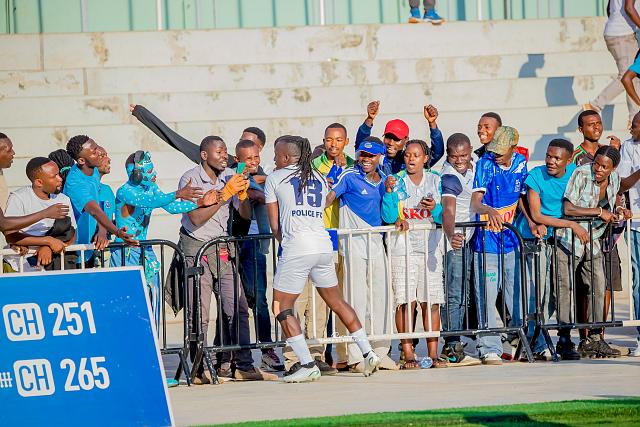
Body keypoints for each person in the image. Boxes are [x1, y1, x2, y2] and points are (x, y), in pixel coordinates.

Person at [265, 135, 381, 383]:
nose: (274, 159)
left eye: (276, 155)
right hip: (323, 244)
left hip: (297, 246)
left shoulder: (275, 177)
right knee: (337, 301)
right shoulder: (317, 176)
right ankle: (368, 352)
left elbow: (275, 225)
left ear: (286, 157)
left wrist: (286, 243)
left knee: (281, 306)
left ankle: (306, 363)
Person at [178, 136, 273, 383]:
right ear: (204, 155)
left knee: (238, 307)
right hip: (197, 248)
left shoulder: (230, 175)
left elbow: (245, 216)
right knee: (199, 312)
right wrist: (224, 194)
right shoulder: (190, 178)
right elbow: (196, 218)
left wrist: (242, 196)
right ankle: (199, 369)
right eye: (218, 152)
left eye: (225, 152)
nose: (224, 156)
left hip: (222, 247)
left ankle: (244, 365)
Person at [110, 150, 214, 325]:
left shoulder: (151, 188)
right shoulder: (125, 192)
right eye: (150, 171)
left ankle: (151, 338)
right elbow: (151, 202)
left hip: (143, 250)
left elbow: (170, 207)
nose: (155, 174)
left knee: (153, 298)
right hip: (124, 253)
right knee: (126, 300)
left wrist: (199, 202)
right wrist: (178, 193)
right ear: (136, 174)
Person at [284, 123, 355, 376]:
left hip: (335, 239)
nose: (333, 144)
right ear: (323, 141)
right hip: (308, 237)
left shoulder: (352, 167)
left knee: (323, 302)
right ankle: (293, 357)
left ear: (346, 142)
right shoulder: (312, 167)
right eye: (329, 139)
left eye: (338, 140)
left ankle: (316, 353)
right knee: (299, 298)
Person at [325, 137, 396, 372]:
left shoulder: (385, 178)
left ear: (379, 157)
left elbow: (389, 214)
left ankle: (381, 351)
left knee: (381, 297)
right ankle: (356, 356)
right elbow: (329, 198)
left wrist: (394, 205)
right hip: (353, 244)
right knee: (355, 298)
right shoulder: (349, 175)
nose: (366, 159)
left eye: (371, 156)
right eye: (363, 155)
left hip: (376, 242)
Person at [514, 139, 586, 361]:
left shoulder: (575, 173)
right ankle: (534, 341)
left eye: (557, 158)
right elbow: (537, 215)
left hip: (560, 239)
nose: (551, 161)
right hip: (535, 239)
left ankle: (562, 340)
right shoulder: (536, 175)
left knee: (560, 292)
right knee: (539, 292)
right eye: (548, 156)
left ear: (568, 160)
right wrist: (571, 224)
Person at [558, 146, 629, 358]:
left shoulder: (614, 178)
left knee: (599, 285)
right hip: (570, 238)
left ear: (613, 168)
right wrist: (599, 212)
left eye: (604, 167)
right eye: (596, 164)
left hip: (592, 238)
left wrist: (619, 211)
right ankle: (564, 340)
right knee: (565, 289)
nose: (598, 169)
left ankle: (594, 339)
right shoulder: (581, 173)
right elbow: (568, 209)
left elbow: (612, 202)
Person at [381, 139, 446, 368]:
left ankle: (433, 353)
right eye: (407, 155)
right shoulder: (395, 180)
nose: (411, 159)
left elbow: (444, 216)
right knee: (405, 302)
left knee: (432, 302)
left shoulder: (436, 179)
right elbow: (388, 216)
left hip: (430, 250)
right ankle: (408, 352)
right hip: (402, 250)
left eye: (416, 155)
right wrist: (389, 193)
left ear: (425, 158)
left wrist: (435, 209)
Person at [470, 126, 528, 365]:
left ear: (514, 148)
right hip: (487, 244)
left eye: (501, 151)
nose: (495, 154)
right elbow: (475, 202)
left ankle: (524, 342)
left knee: (518, 297)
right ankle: (489, 348)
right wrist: (489, 210)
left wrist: (532, 222)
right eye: (494, 150)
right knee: (487, 296)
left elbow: (522, 198)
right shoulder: (484, 164)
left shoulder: (521, 163)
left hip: (511, 241)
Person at [234, 139, 285, 372]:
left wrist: (260, 184)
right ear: (237, 160)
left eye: (256, 157)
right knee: (233, 301)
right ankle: (230, 354)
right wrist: (259, 186)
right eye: (249, 159)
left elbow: (259, 193)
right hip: (232, 244)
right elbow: (256, 193)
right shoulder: (232, 174)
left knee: (260, 299)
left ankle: (266, 350)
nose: (254, 162)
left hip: (254, 244)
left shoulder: (260, 175)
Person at [439, 133, 481, 366]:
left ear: (470, 151)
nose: (459, 160)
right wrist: (450, 234)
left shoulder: (475, 165)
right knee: (454, 294)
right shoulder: (449, 176)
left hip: (471, 238)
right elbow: (448, 210)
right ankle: (451, 343)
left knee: (466, 292)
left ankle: (460, 338)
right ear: (448, 154)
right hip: (454, 241)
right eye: (454, 156)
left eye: (463, 155)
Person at [63, 135, 136, 259]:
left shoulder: (93, 168)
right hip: (72, 249)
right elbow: (94, 210)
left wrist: (102, 229)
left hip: (89, 247)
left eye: (97, 147)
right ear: (81, 161)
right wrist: (117, 232)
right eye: (94, 152)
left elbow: (99, 202)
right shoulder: (76, 184)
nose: (100, 153)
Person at [4, 158, 76, 272]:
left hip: (54, 265)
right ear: (39, 182)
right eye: (54, 176)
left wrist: (47, 247)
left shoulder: (64, 199)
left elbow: (72, 234)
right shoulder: (18, 198)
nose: (60, 179)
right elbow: (10, 235)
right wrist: (47, 241)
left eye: (59, 174)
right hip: (19, 265)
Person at [612, 112, 640, 356]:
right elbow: (621, 185)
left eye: (635, 125)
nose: (631, 128)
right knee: (639, 281)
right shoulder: (629, 147)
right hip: (639, 225)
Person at [586, 0, 640, 125]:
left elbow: (609, 8)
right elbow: (629, 8)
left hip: (615, 32)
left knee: (633, 76)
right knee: (628, 76)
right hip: (623, 34)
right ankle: (595, 105)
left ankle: (634, 117)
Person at [355, 101, 445, 173]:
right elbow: (361, 146)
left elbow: (437, 153)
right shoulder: (376, 156)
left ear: (406, 140)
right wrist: (370, 119)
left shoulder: (410, 160)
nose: (391, 143)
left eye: (396, 139)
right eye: (388, 137)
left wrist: (432, 123)